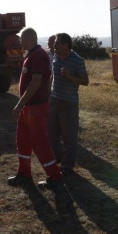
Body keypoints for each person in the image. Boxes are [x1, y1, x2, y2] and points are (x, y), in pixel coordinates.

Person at [8, 27, 65, 191]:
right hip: (29, 107)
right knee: (23, 140)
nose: (19, 42)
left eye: (21, 39)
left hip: (35, 108)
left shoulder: (38, 56)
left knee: (40, 143)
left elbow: (36, 81)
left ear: (29, 39)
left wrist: (20, 104)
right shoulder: (32, 55)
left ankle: (55, 177)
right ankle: (24, 173)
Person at [48, 33, 89, 177]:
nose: (55, 45)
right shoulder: (56, 56)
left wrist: (70, 76)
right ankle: (58, 159)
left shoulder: (77, 60)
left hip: (69, 103)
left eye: (58, 43)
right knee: (51, 134)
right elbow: (52, 75)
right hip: (54, 100)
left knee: (69, 137)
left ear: (66, 44)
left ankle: (67, 166)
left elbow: (85, 81)